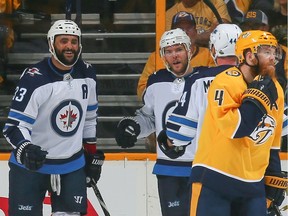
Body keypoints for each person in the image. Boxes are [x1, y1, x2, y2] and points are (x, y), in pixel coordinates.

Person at [2, 20, 104, 215]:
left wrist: (90, 153)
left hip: (71, 166)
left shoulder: (87, 74)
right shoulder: (35, 78)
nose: (69, 46)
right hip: (31, 167)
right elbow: (14, 126)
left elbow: (89, 119)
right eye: (63, 41)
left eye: (74, 41)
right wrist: (26, 149)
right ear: (51, 43)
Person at [189, 30, 286, 215]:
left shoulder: (276, 90)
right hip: (215, 179)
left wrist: (273, 178)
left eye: (275, 52)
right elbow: (234, 128)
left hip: (252, 185)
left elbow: (272, 142)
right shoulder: (226, 82)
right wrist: (257, 98)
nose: (273, 57)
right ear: (250, 56)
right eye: (266, 51)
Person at [116, 28, 194, 216]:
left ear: (189, 51)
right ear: (162, 55)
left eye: (179, 49)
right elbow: (150, 118)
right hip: (169, 168)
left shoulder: (204, 80)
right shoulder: (156, 81)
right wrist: (134, 127)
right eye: (168, 51)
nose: (174, 55)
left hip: (201, 167)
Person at [157, 23, 242, 162]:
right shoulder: (257, 80)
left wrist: (167, 141)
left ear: (213, 49)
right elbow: (283, 125)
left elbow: (179, 134)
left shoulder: (198, 80)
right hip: (248, 171)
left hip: (209, 168)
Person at [137, 11, 215, 99]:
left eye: (189, 28)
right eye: (180, 29)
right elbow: (142, 90)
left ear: (196, 31)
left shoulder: (209, 54)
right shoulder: (155, 57)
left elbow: (215, 85)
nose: (185, 32)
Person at [165, 0, 231, 47]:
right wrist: (206, 35)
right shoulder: (170, 13)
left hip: (212, 52)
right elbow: (172, 42)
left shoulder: (216, 3)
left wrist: (192, 38)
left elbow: (222, 31)